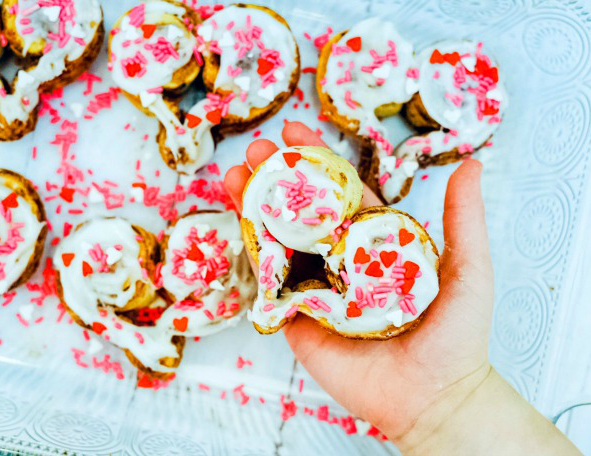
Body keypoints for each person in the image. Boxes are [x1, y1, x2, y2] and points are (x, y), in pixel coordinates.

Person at [224, 121, 580, 454]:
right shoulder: (325, 227)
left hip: (369, 295)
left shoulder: (388, 242)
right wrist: (459, 404)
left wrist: (459, 402)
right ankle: (276, 299)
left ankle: (278, 301)